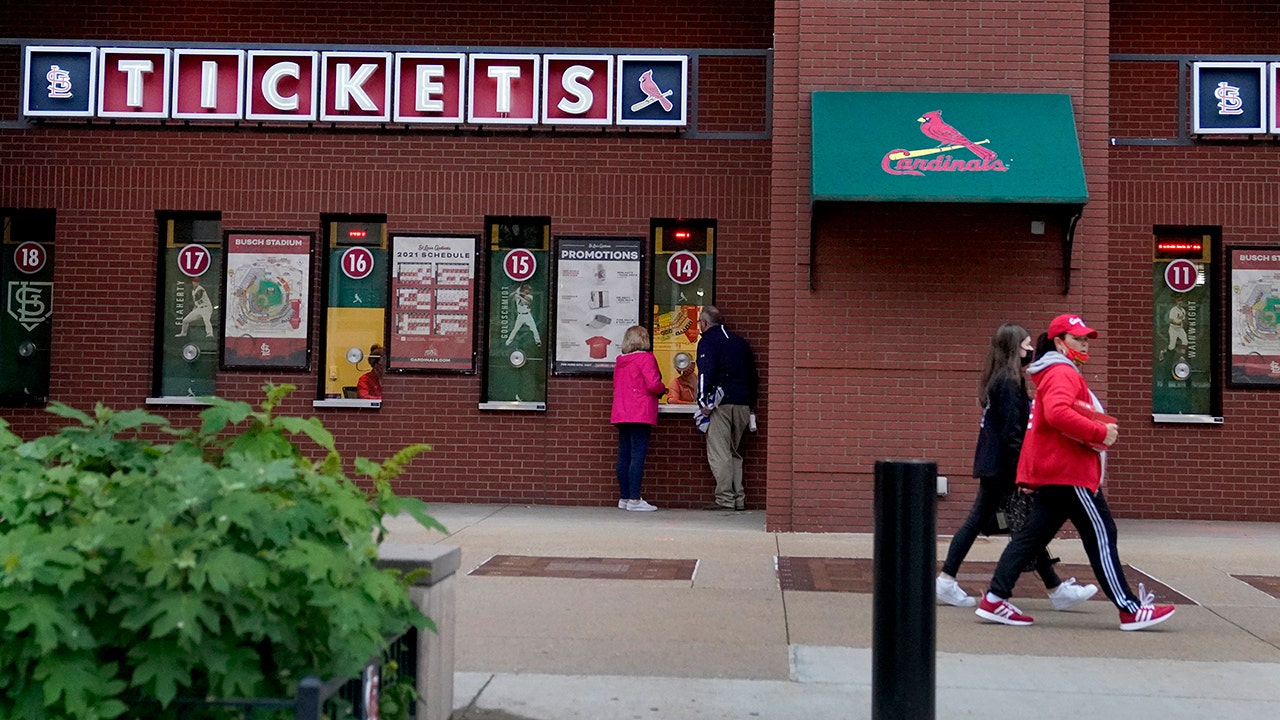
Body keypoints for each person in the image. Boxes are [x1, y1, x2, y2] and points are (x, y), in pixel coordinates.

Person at [975, 314, 1176, 631]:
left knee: (1030, 538)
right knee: (1102, 535)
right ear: (1059, 342)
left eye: (1086, 339)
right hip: (1071, 472)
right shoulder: (1062, 372)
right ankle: (1130, 609)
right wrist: (1099, 433)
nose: (1084, 345)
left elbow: (1042, 424)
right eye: (1077, 339)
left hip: (1057, 472)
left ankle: (995, 599)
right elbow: (1057, 414)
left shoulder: (1052, 372)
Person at [936, 323, 1097, 610]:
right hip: (1005, 468)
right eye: (1025, 345)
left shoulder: (1000, 379)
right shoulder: (1009, 383)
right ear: (1014, 349)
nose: (1031, 350)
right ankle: (1054, 588)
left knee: (1015, 525)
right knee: (1029, 527)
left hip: (994, 465)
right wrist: (1023, 472)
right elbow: (1013, 432)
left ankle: (947, 580)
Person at [696, 306, 758, 511]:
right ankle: (738, 498)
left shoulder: (708, 342)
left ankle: (725, 500)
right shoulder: (741, 343)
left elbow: (705, 373)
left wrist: (704, 403)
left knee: (719, 453)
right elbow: (753, 376)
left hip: (720, 405)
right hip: (742, 404)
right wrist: (751, 405)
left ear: (704, 323)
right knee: (733, 452)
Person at [610, 326, 667, 512]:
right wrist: (662, 389)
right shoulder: (646, 358)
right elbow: (653, 384)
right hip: (640, 412)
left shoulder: (620, 362)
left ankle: (624, 497)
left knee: (624, 455)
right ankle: (635, 499)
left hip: (621, 412)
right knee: (637, 456)